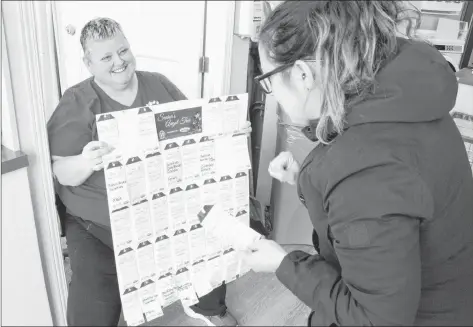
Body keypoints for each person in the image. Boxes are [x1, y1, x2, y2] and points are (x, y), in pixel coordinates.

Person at [242, 1, 473, 326]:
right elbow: (391, 187)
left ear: (303, 74)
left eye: (269, 80)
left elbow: (375, 319)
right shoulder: (407, 98)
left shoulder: (364, 175)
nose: (271, 92)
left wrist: (283, 263)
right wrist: (310, 176)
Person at [47, 17, 238, 326]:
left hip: (165, 203)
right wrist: (85, 162)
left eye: (123, 51)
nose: (119, 61)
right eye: (106, 57)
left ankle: (204, 305)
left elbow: (197, 127)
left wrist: (229, 127)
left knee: (212, 235)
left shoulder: (158, 83)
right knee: (94, 298)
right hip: (98, 221)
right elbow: (60, 170)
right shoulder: (77, 101)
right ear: (88, 63)